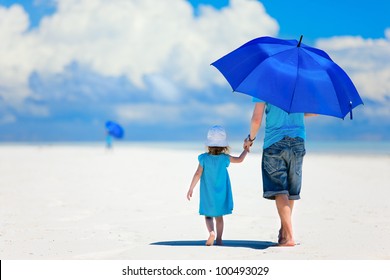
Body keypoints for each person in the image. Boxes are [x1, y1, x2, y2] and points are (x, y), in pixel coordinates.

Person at [243, 100, 316, 246]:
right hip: (298, 141)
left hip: (274, 142)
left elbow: (257, 119)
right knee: (290, 190)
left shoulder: (264, 84)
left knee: (279, 189)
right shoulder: (299, 84)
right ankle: (284, 232)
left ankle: (289, 237)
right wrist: (295, 113)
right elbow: (314, 111)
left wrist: (250, 139)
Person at [187, 125, 248, 246]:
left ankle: (211, 232)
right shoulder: (225, 158)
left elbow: (198, 173)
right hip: (221, 191)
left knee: (208, 216)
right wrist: (246, 149)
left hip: (207, 192)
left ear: (208, 144)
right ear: (224, 145)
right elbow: (240, 159)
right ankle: (219, 239)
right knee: (219, 217)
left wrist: (191, 188)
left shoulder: (203, 158)